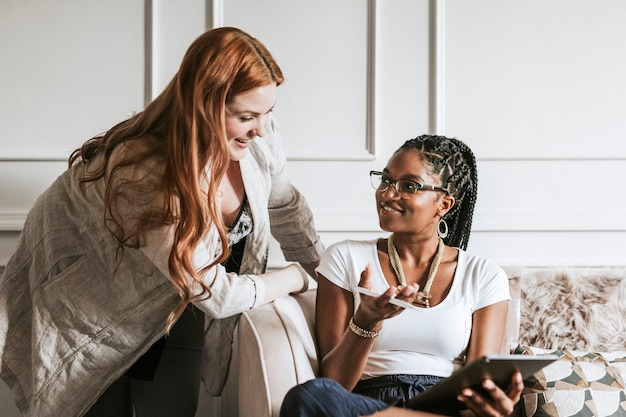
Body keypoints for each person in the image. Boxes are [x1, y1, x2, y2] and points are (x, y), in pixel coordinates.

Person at [0, 27, 324, 417]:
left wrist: (327, 273)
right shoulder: (146, 174)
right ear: (204, 106)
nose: (261, 129)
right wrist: (297, 278)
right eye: (246, 116)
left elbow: (285, 206)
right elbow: (218, 294)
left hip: (174, 302)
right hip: (92, 309)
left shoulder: (259, 136)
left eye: (268, 112)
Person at [280, 135, 523, 417]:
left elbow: (480, 388)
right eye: (385, 180)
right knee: (312, 397)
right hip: (365, 405)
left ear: (443, 204)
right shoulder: (344, 258)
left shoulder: (483, 275)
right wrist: (366, 321)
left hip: (447, 404)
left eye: (408, 186)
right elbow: (334, 383)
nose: (387, 194)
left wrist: (495, 408)